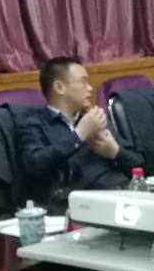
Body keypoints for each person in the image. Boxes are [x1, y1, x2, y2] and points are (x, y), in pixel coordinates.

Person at [17, 57, 138, 202]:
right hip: (84, 201)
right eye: (83, 82)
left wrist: (115, 152)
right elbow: (35, 165)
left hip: (125, 193)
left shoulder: (93, 118)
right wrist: (79, 134)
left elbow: (140, 166)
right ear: (59, 88)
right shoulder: (33, 124)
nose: (90, 88)